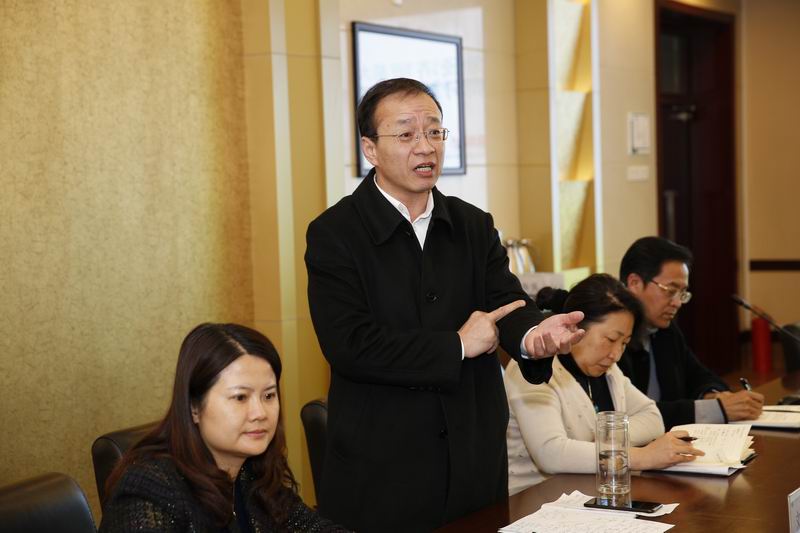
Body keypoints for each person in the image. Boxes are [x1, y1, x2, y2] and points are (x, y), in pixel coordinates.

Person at [304, 78, 585, 532]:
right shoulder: (335, 234)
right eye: (406, 134)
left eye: (434, 131)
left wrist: (535, 335)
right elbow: (349, 344)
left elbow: (506, 302)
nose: (425, 146)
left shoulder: (472, 224)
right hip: (383, 465)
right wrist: (456, 345)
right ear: (370, 149)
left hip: (471, 456)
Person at [99, 323, 348, 532]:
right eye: (240, 397)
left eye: (269, 396)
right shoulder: (149, 488)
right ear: (194, 406)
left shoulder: (253, 474)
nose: (260, 413)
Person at [505, 274, 704, 495]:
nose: (616, 354)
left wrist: (605, 438)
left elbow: (652, 417)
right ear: (575, 328)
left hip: (592, 493)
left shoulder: (608, 370)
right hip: (533, 500)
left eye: (624, 343)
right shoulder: (533, 368)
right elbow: (550, 453)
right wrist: (639, 456)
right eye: (610, 339)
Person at [617, 236, 764, 429]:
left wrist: (714, 395)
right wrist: (715, 409)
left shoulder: (666, 331)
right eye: (670, 290)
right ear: (634, 283)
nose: (677, 302)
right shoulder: (613, 339)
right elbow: (629, 413)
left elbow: (699, 375)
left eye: (682, 293)